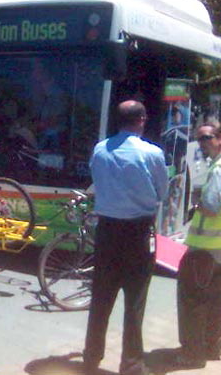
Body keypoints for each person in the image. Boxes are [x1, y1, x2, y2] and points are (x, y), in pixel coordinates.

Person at [83, 100, 168, 375]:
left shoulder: (99, 149)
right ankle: (131, 365)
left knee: (101, 297)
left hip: (107, 231)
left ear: (117, 121)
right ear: (141, 120)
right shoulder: (152, 153)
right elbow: (162, 192)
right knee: (135, 301)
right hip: (138, 233)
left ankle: (91, 357)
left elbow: (96, 180)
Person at [175, 123, 221, 368]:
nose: (201, 144)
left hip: (206, 248)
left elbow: (211, 207)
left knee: (193, 301)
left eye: (205, 138)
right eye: (198, 139)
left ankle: (192, 354)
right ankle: (213, 347)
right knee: (219, 298)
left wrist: (197, 204)